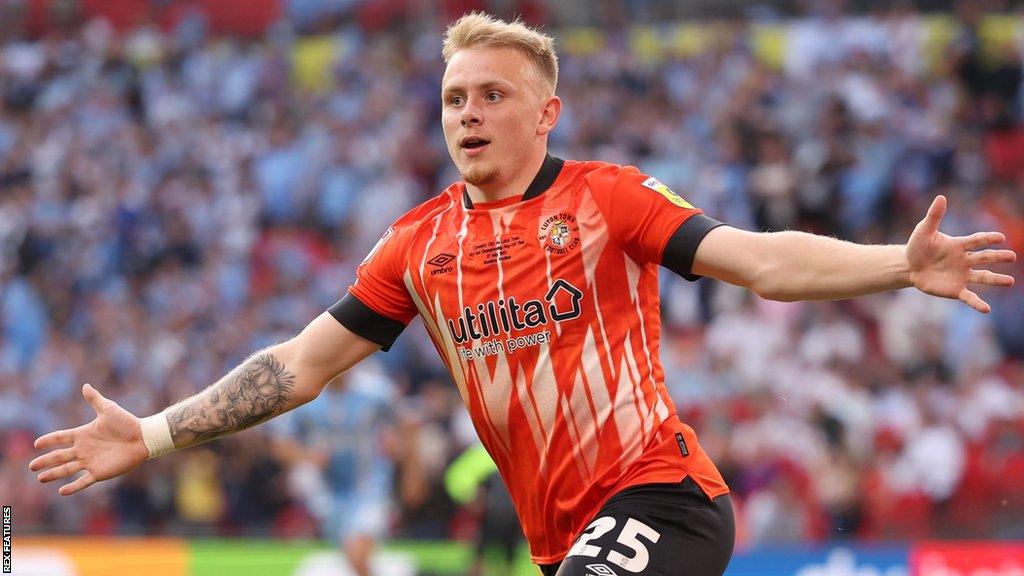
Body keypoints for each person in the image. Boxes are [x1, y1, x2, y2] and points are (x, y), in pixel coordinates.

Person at [30, 12, 1016, 576]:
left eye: (490, 95)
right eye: (454, 97)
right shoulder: (415, 244)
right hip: (560, 544)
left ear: (545, 114)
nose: (467, 112)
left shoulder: (607, 198)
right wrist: (152, 434)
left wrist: (898, 262)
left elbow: (757, 260)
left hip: (663, 498)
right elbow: (297, 368)